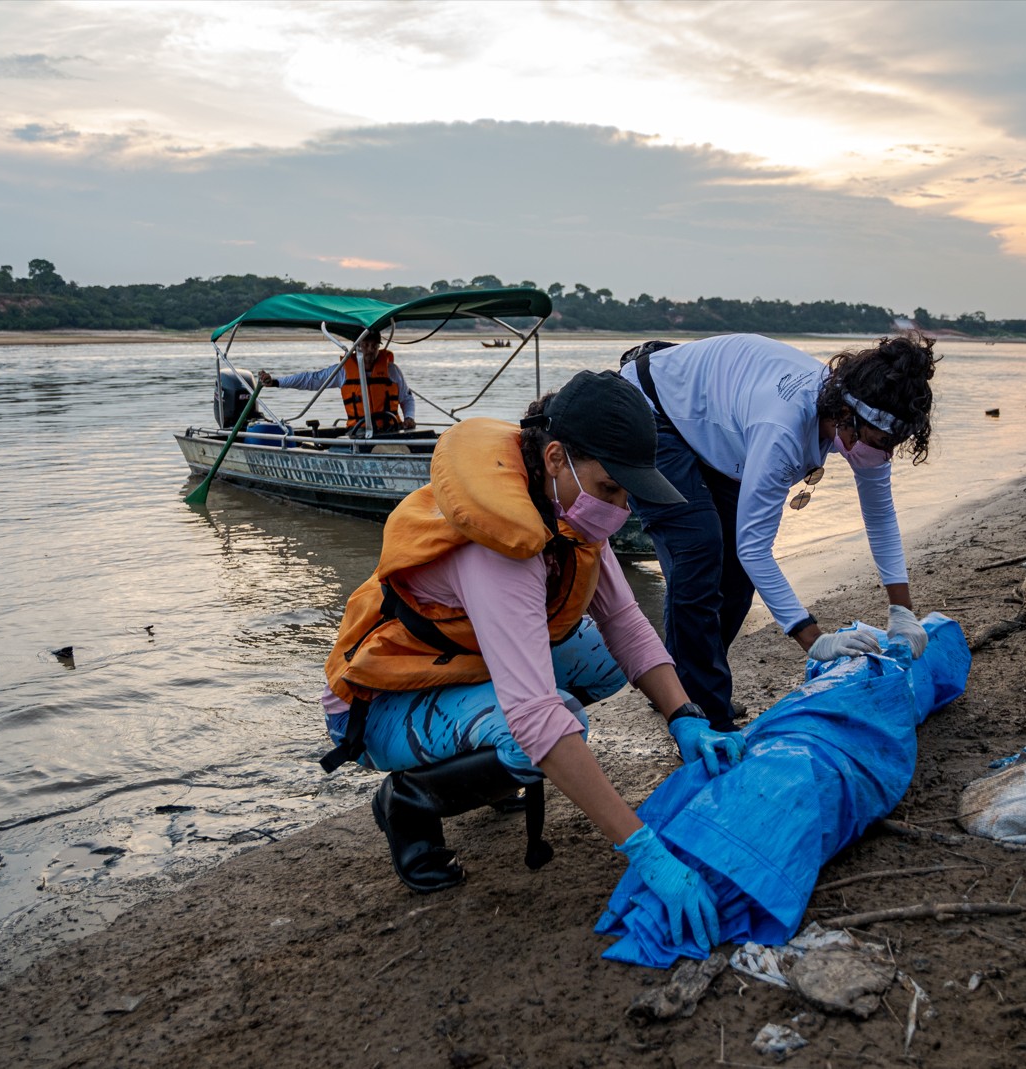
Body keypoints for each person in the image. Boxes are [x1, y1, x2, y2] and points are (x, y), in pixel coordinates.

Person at [316, 370, 745, 952]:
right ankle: (410, 803)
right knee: (544, 729)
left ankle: (486, 766)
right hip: (378, 707)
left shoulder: (565, 511)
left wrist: (685, 716)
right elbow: (540, 718)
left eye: (628, 493)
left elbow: (625, 623)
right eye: (611, 487)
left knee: (603, 658)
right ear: (555, 457)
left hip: (458, 666)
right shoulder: (501, 547)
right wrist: (644, 849)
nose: (621, 507)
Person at [619, 333, 939, 731]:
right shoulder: (783, 428)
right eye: (881, 444)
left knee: (735, 574)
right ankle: (705, 715)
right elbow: (756, 548)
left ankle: (684, 688)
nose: (885, 455)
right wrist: (815, 641)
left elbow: (880, 516)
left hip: (719, 426)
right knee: (699, 550)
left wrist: (902, 611)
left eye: (894, 446)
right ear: (845, 416)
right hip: (650, 408)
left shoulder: (868, 417)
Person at [257, 330, 416, 431]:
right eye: (366, 345)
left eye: (374, 346)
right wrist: (277, 381)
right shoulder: (343, 371)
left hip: (391, 430)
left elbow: (407, 398)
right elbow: (311, 380)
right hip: (359, 433)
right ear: (357, 347)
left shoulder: (392, 371)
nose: (370, 350)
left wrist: (409, 417)